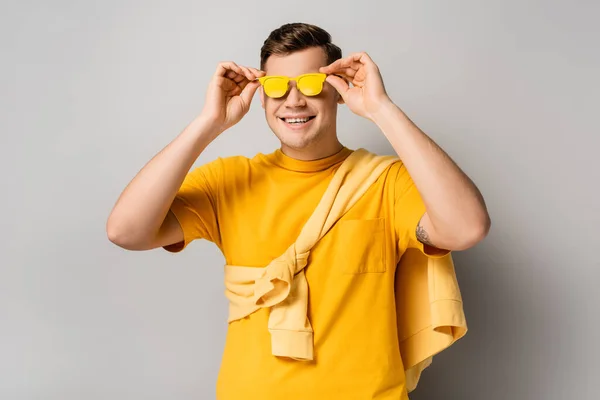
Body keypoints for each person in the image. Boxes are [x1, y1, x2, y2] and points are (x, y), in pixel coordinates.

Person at [106, 22, 490, 400]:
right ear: (261, 95)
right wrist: (209, 124)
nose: (293, 101)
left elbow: (466, 229)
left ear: (339, 91)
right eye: (277, 88)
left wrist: (381, 109)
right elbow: (126, 231)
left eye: (310, 84)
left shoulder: (385, 183)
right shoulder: (230, 180)